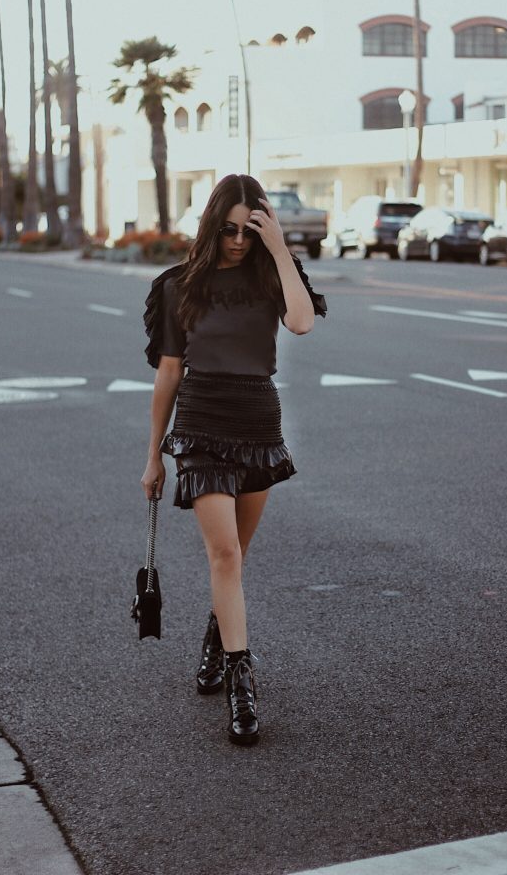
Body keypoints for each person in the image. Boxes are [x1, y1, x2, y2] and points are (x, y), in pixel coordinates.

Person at [141, 174, 327, 746]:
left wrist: (279, 248)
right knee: (223, 551)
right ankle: (242, 681)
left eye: (249, 230)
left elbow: (300, 321)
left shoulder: (272, 275)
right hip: (200, 420)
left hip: (255, 420)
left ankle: (217, 638)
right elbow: (169, 371)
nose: (238, 241)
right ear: (212, 224)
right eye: (229, 230)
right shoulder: (180, 286)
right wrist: (154, 456)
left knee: (236, 558)